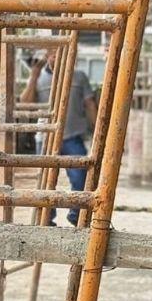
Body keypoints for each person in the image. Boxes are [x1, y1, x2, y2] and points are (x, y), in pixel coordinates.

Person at [19, 49, 97, 226]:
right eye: (53, 53)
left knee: (81, 177)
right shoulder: (38, 78)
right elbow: (25, 104)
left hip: (73, 136)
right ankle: (47, 218)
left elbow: (90, 104)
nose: (57, 57)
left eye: (62, 52)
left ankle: (77, 215)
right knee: (46, 181)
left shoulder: (79, 77)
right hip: (45, 137)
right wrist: (33, 76)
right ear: (47, 56)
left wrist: (97, 131)